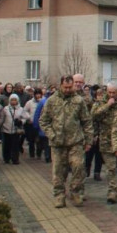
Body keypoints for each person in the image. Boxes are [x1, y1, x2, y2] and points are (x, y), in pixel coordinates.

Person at [39, 75, 93, 209]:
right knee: (58, 171)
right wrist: (51, 135)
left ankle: (76, 192)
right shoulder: (52, 101)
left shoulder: (78, 101)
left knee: (78, 167)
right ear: (61, 86)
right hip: (58, 143)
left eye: (70, 87)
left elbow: (86, 121)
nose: (68, 90)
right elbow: (43, 121)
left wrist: (88, 140)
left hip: (75, 141)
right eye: (66, 87)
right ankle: (59, 195)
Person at [93, 83, 117, 204]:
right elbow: (93, 115)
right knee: (111, 167)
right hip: (106, 141)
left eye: (114, 92)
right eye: (109, 92)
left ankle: (115, 190)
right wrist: (107, 105)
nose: (111, 95)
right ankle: (112, 191)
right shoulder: (101, 102)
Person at [85, 86, 108, 181]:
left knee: (99, 155)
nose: (101, 97)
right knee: (89, 154)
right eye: (99, 95)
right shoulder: (94, 105)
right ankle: (86, 169)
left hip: (102, 134)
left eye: (102, 95)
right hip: (93, 133)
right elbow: (92, 118)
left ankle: (97, 172)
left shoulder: (106, 105)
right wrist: (93, 135)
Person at [0, 94, 27, 164]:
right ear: (9, 101)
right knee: (6, 145)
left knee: (15, 145)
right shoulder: (6, 109)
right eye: (12, 100)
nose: (13, 102)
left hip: (15, 130)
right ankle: (6, 158)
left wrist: (21, 121)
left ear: (17, 101)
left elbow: (25, 118)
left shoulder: (21, 109)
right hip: (6, 129)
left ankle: (15, 159)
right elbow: (2, 118)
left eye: (15, 100)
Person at [22, 89, 42, 159]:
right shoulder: (29, 103)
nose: (38, 95)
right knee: (31, 140)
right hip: (31, 123)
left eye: (39, 94)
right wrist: (28, 118)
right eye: (37, 94)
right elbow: (25, 111)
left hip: (40, 124)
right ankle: (32, 154)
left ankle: (39, 154)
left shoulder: (43, 102)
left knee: (39, 140)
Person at [33, 88, 51, 163]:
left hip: (50, 126)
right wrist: (36, 125)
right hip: (43, 125)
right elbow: (37, 114)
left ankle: (48, 156)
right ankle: (44, 155)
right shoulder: (43, 102)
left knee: (47, 142)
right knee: (43, 142)